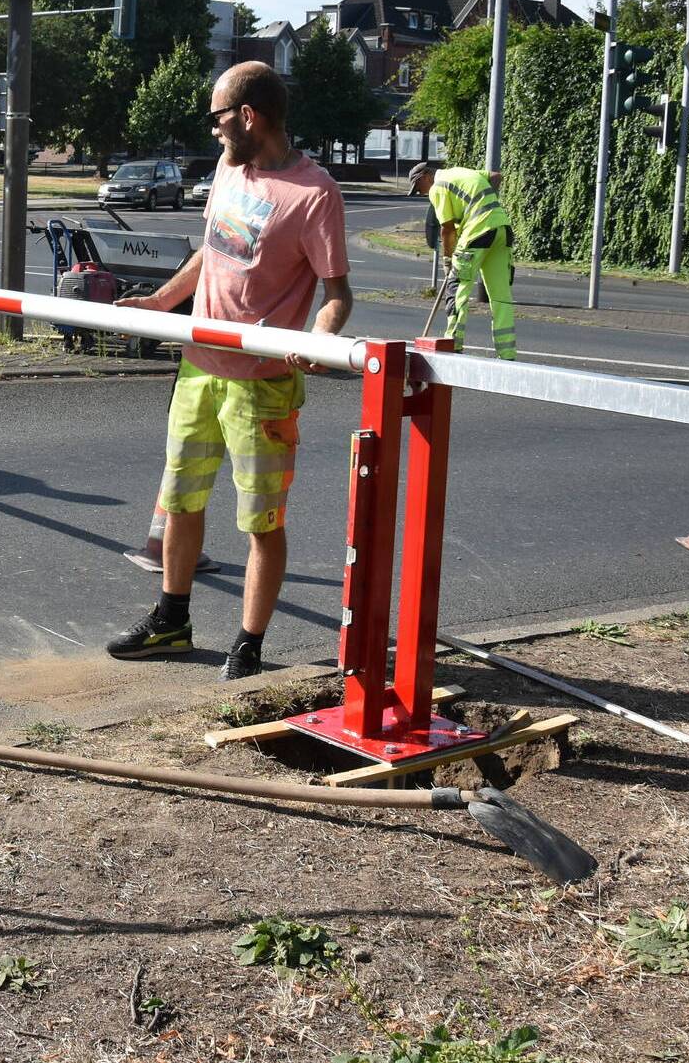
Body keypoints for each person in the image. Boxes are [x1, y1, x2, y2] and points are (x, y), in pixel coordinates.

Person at [105, 61, 354, 681]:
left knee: (261, 522)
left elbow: (337, 293)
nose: (213, 130)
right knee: (181, 502)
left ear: (249, 117)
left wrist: (318, 341)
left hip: (261, 384)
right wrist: (161, 302)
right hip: (197, 369)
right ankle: (172, 621)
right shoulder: (227, 169)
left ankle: (248, 644)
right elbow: (211, 252)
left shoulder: (313, 192)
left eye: (218, 117)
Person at [409, 162, 516, 360]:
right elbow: (495, 176)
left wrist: (448, 260)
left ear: (425, 177)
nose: (421, 193)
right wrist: (481, 205)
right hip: (502, 229)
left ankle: (453, 345)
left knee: (457, 288)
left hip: (477, 233)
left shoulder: (438, 187)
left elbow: (447, 229)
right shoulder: (461, 172)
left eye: (419, 188)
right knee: (501, 295)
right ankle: (507, 353)